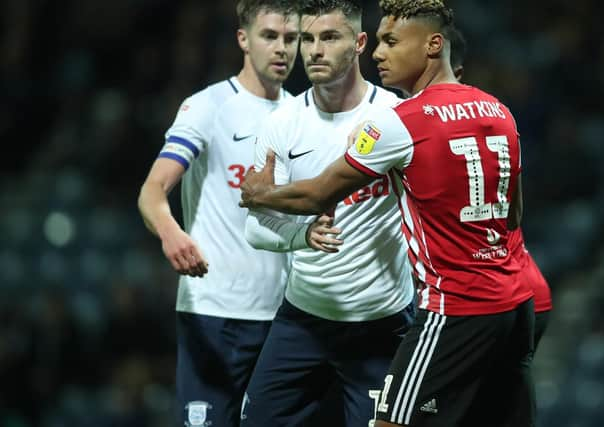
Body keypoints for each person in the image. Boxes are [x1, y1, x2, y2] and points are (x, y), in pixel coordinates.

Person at [238, 1, 537, 426]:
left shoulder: (395, 120)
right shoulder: (497, 110)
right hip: (509, 304)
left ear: (433, 45)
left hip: (424, 313)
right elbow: (512, 215)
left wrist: (261, 194)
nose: (380, 53)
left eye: (391, 42)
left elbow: (319, 194)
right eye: (307, 39)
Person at [239, 1, 415, 426]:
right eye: (307, 39)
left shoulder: (394, 117)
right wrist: (302, 236)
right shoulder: (282, 123)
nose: (315, 50)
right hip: (302, 320)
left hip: (381, 325)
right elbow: (254, 227)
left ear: (358, 43)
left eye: (329, 37)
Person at [136, 1, 300, 426]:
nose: (281, 48)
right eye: (269, 36)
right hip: (214, 312)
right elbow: (152, 191)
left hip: (286, 319)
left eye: (290, 38)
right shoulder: (208, 107)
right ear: (243, 39)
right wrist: (170, 232)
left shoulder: (304, 115)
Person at [447, 26, 553, 350]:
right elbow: (513, 215)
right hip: (526, 290)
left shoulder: (425, 128)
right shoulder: (501, 117)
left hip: (482, 302)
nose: (381, 55)